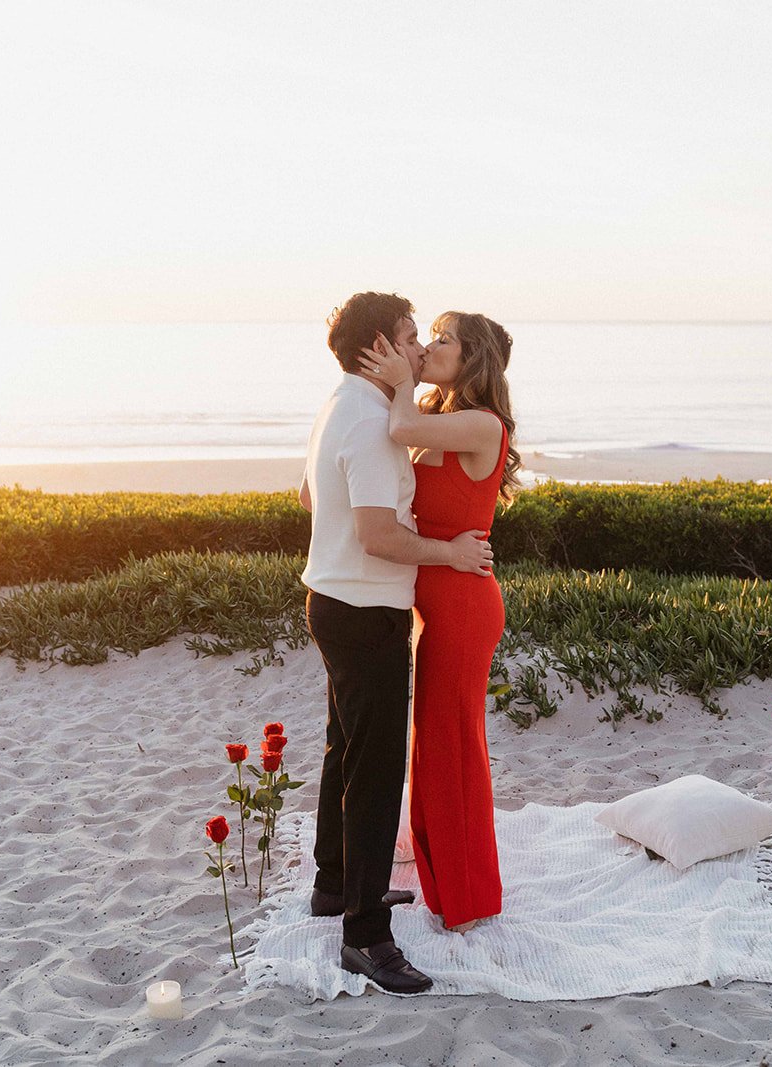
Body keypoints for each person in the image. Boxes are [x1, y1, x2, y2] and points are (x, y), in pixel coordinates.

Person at [298, 291, 494, 994]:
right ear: (377, 346)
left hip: (332, 597)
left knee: (342, 746)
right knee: (374, 772)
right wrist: (447, 551)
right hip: (366, 609)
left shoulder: (340, 404)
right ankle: (366, 936)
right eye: (410, 337)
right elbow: (381, 536)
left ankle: (333, 884)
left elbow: (307, 497)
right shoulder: (375, 421)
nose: (417, 349)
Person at [357, 311, 520, 932]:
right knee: (434, 751)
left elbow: (399, 426)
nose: (429, 346)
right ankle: (446, 886)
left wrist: (400, 379)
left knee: (452, 752)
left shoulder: (480, 423)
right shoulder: (442, 420)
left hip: (463, 607)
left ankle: (469, 896)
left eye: (443, 339)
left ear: (473, 356)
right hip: (435, 606)